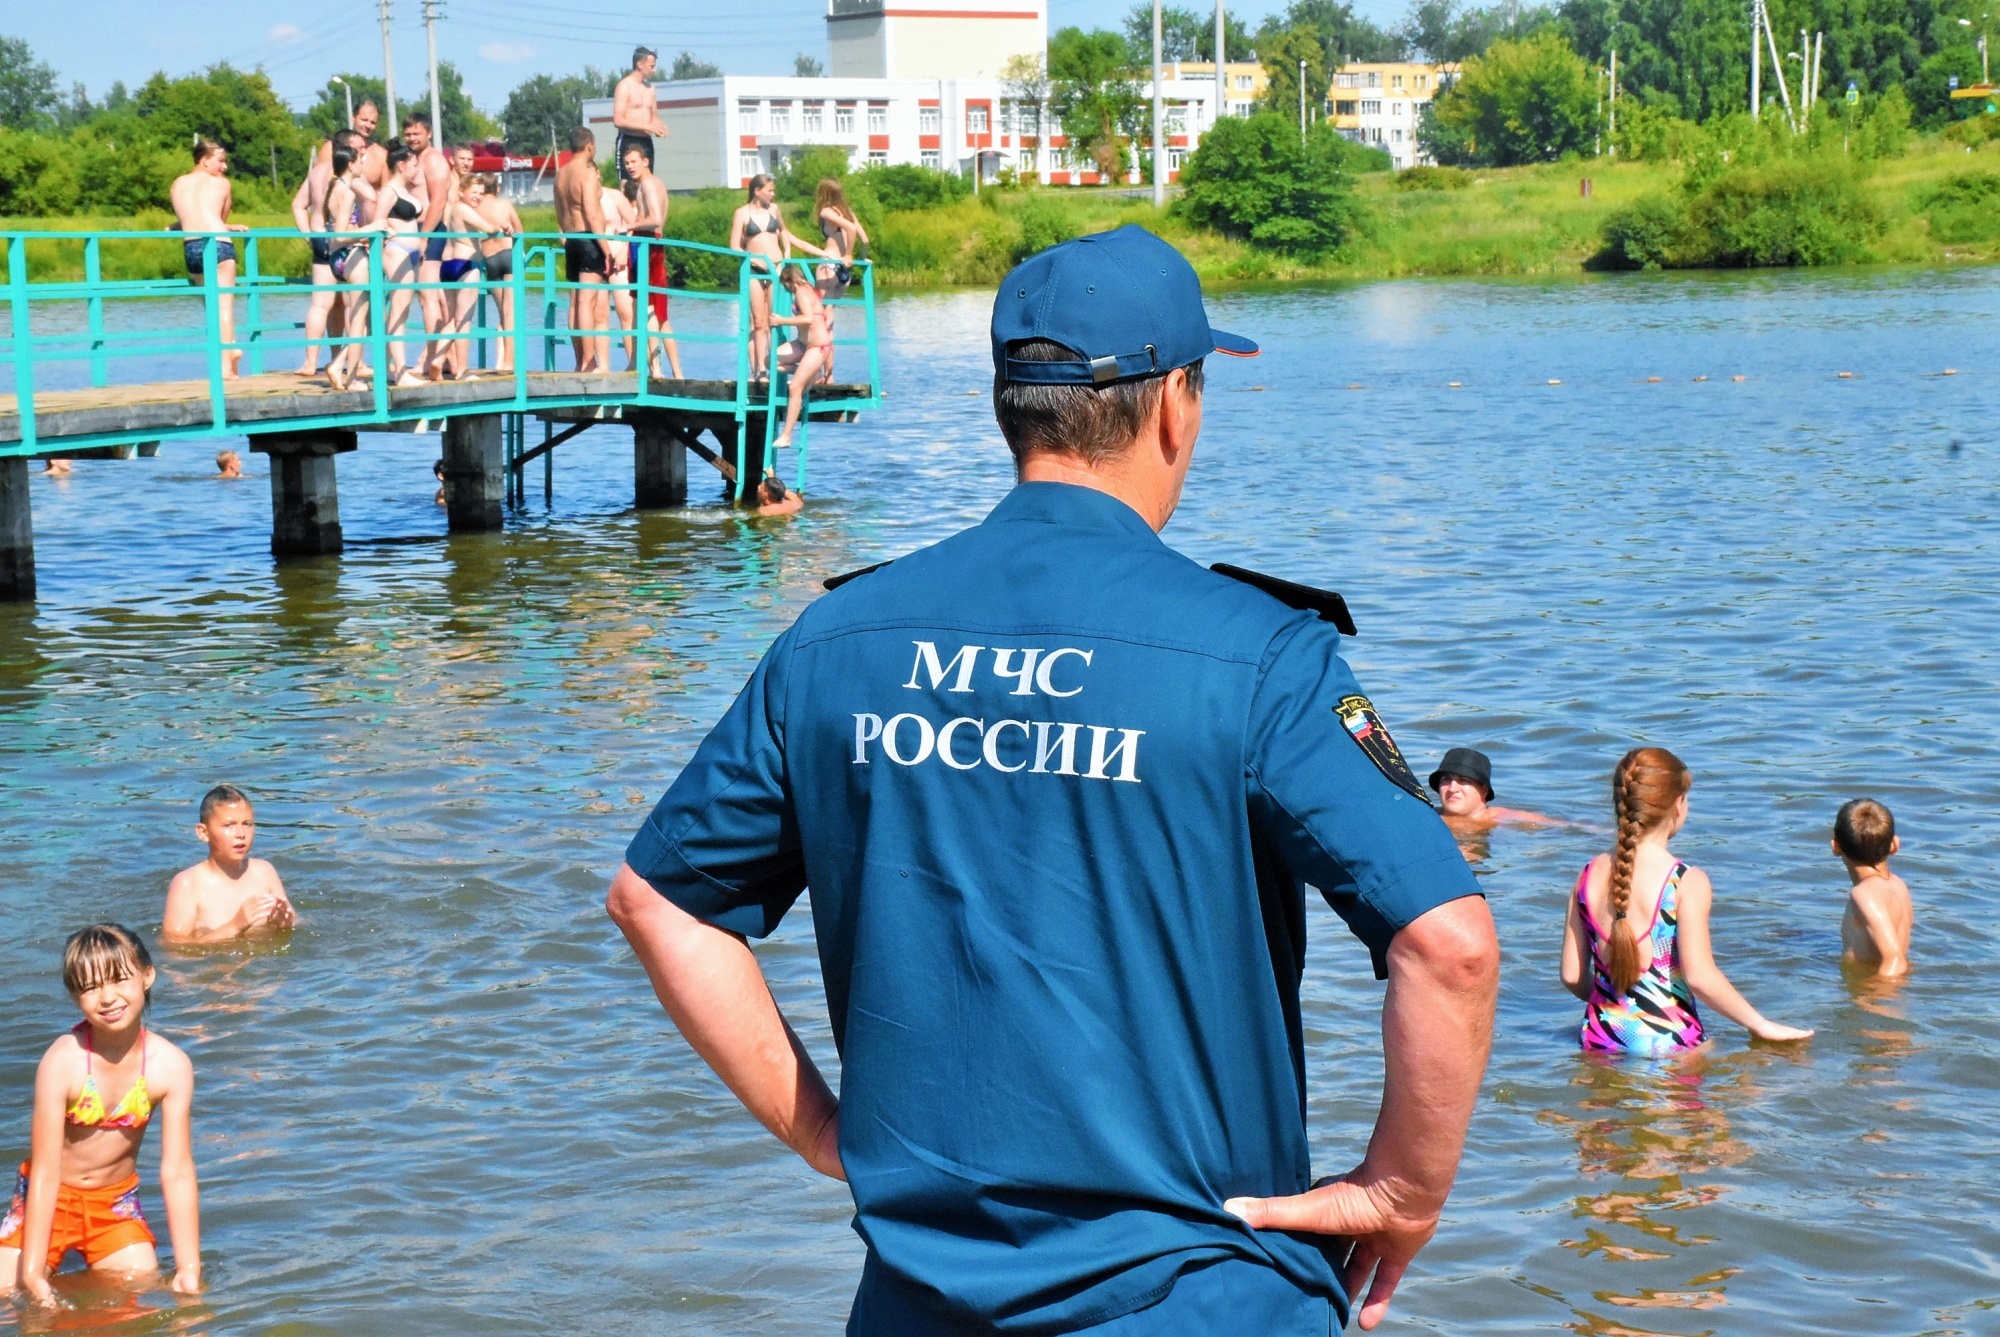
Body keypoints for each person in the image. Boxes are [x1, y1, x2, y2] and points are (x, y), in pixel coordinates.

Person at [606, 224, 1498, 1335]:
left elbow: (658, 898)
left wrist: (823, 1132)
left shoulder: (835, 639)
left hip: (920, 1300)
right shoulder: (1261, 655)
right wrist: (1400, 1190)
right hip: (1202, 1293)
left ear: (1007, 409)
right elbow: (1447, 944)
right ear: (1175, 404)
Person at [1560, 746, 1812, 1054]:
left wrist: (1614, 1005)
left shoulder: (1586, 876)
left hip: (1599, 1036)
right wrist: (1760, 1024)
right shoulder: (1684, 881)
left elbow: (1572, 976)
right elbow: (1700, 976)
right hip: (1670, 1041)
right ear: (1678, 805)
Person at [0, 925, 201, 1303]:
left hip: (114, 1203)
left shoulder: (170, 1065)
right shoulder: (64, 1060)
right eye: (91, 987)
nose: (108, 997)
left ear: (147, 976)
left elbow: (177, 1170)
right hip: (49, 1198)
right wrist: (32, 1272)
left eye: (120, 980)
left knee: (136, 1291)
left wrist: (190, 1269)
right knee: (14, 1297)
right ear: (75, 996)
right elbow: (45, 1169)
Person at [162, 784, 298, 943]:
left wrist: (285, 923)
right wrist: (235, 926)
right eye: (229, 825)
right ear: (204, 833)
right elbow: (174, 947)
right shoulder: (188, 883)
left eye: (247, 824)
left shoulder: (264, 872)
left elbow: (295, 920)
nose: (241, 834)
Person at [727, 174, 826, 381]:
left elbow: (784, 231)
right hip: (755, 269)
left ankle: (773, 364)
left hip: (776, 269)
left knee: (775, 320)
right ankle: (759, 371)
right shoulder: (742, 213)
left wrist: (787, 251)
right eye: (770, 190)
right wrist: (750, 258)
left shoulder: (775, 210)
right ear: (757, 191)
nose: (773, 194)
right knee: (758, 321)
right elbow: (734, 245)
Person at [169, 140, 250, 380]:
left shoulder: (177, 184)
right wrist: (230, 226)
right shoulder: (221, 184)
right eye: (220, 161)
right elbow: (218, 217)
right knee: (224, 306)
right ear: (204, 160)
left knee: (212, 306)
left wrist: (173, 226)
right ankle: (226, 364)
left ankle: (232, 346)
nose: (224, 167)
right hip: (219, 245)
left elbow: (189, 218)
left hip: (192, 246)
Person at [321, 135, 389, 391]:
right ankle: (351, 377)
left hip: (340, 258)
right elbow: (339, 234)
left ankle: (338, 366)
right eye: (360, 159)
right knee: (359, 319)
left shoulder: (334, 187)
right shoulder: (346, 192)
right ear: (350, 164)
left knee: (367, 318)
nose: (364, 163)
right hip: (349, 257)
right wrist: (372, 228)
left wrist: (365, 232)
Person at [622, 144, 682, 378]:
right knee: (655, 310)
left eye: (634, 162)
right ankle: (673, 371)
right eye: (627, 163)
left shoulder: (647, 184)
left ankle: (655, 369)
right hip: (653, 244)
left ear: (646, 161)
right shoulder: (658, 184)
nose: (630, 167)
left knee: (648, 310)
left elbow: (656, 219)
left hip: (646, 244)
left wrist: (629, 225)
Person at [401, 114, 454, 378]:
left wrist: (424, 237)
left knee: (428, 296)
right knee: (423, 297)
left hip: (429, 230)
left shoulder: (433, 159)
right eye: (408, 134)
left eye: (416, 133)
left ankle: (432, 358)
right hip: (413, 229)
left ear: (428, 133)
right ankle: (438, 357)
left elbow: (438, 201)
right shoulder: (412, 159)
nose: (411, 138)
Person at [554, 129, 611, 374]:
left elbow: (559, 212)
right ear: (590, 146)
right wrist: (606, 249)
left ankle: (580, 361)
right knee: (587, 302)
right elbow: (591, 213)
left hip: (571, 239)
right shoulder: (586, 173)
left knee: (576, 302)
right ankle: (590, 362)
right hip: (588, 238)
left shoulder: (560, 174)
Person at [374, 140, 430, 388]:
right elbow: (378, 222)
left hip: (411, 253)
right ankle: (400, 371)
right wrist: (388, 233)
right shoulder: (389, 192)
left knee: (403, 311)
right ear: (400, 165)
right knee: (398, 311)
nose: (417, 169)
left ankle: (389, 367)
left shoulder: (407, 190)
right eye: (414, 164)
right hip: (396, 252)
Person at [1834, 798, 1910, 977]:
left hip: (1871, 994)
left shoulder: (1864, 894)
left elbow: (1896, 960)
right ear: (1895, 845)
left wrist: (1873, 1000)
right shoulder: (1898, 885)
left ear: (1835, 846)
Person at [765, 262, 830, 452]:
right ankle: (812, 373)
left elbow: (808, 318)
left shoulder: (802, 290)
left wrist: (781, 320)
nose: (786, 289)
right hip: (803, 344)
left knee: (795, 388)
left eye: (785, 284)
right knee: (770, 361)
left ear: (789, 280)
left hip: (817, 346)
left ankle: (786, 436)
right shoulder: (806, 289)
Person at [814, 177, 867, 379]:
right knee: (829, 320)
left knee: (823, 321)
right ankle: (828, 373)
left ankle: (825, 373)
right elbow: (865, 238)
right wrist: (862, 258)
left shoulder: (826, 211)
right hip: (843, 273)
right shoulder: (846, 210)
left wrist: (848, 255)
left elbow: (852, 230)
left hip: (830, 266)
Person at [1428, 747, 1555, 832]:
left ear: (1484, 790)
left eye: (1463, 780)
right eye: (1446, 780)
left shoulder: (1504, 818)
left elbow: (1565, 827)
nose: (1452, 788)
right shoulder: (1428, 817)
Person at [439, 175, 491, 379]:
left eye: (481, 193)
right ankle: (461, 369)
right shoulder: (462, 208)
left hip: (450, 266)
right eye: (474, 192)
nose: (478, 197)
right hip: (466, 265)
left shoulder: (455, 209)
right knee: (463, 321)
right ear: (461, 191)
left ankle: (437, 359)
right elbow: (490, 228)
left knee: (454, 319)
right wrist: (503, 227)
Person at [472, 175, 523, 374]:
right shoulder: (504, 204)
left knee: (503, 312)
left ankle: (499, 361)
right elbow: (519, 230)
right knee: (510, 312)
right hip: (509, 255)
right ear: (498, 187)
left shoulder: (476, 208)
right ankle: (509, 361)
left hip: (489, 259)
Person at [612, 46, 667, 181]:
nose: (654, 70)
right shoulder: (625, 86)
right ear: (640, 64)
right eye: (651, 66)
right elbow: (618, 120)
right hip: (628, 139)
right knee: (628, 187)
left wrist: (658, 128)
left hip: (646, 141)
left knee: (647, 183)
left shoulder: (650, 89)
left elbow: (654, 118)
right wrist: (646, 127)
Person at [603, 178, 638, 370]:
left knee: (627, 314)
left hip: (622, 262)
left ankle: (635, 362)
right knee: (613, 315)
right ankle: (629, 362)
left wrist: (623, 250)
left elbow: (631, 230)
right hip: (609, 260)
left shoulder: (627, 208)